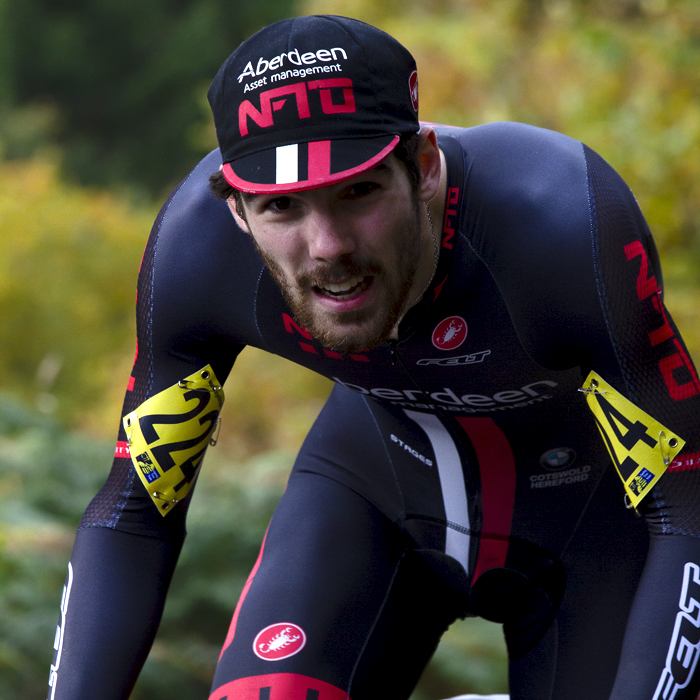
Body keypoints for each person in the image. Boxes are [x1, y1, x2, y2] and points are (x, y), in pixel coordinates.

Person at [46, 14, 700, 700]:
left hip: (595, 535)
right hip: (368, 505)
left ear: (422, 165)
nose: (327, 246)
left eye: (357, 192)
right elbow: (137, 509)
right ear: (236, 212)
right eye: (281, 209)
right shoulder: (197, 254)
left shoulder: (559, 222)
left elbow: (685, 495)